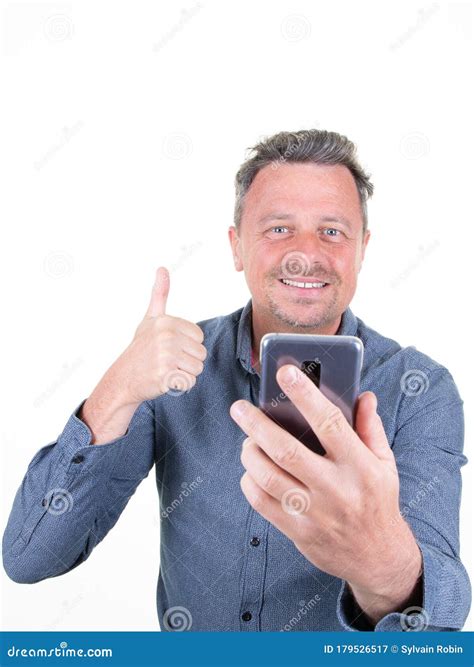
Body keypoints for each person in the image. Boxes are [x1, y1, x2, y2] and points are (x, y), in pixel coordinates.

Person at [2, 130, 471, 632]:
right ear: (237, 247)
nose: (305, 254)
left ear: (362, 250)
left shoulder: (420, 388)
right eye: (278, 229)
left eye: (332, 231)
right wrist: (115, 392)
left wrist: (379, 560)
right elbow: (30, 557)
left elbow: (441, 629)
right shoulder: (174, 369)